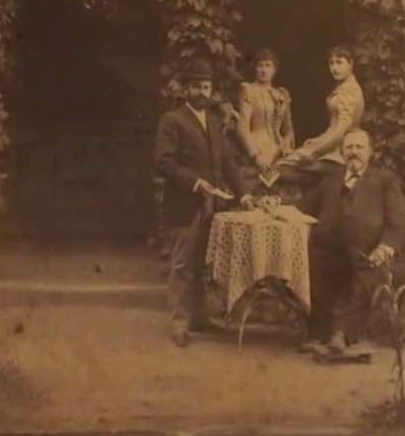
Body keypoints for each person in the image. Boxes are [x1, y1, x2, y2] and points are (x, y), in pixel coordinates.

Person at [154, 57, 256, 348]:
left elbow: (227, 163)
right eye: (196, 86)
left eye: (206, 87)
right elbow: (163, 162)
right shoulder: (172, 120)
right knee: (183, 264)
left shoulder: (213, 122)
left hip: (212, 206)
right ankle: (179, 323)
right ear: (186, 89)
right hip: (184, 205)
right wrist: (195, 183)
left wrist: (244, 194)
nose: (201, 92)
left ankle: (199, 318)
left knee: (201, 263)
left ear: (212, 91)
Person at [298, 129, 405, 354]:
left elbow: (398, 222)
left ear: (369, 152)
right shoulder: (330, 181)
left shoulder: (384, 181)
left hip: (368, 251)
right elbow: (303, 207)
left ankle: (341, 333)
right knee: (312, 266)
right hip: (329, 252)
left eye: (359, 147)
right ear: (341, 152)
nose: (354, 152)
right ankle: (318, 333)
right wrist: (274, 204)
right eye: (349, 147)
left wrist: (384, 248)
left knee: (369, 275)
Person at [277, 45, 364, 184]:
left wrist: (315, 151)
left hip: (337, 153)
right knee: (284, 165)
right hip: (330, 147)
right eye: (331, 63)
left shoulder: (349, 91)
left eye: (339, 62)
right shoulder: (343, 87)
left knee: (280, 168)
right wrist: (317, 141)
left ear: (351, 63)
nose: (334, 68)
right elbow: (333, 127)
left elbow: (341, 130)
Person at [235, 48, 295, 188]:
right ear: (255, 68)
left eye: (268, 65)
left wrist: (287, 145)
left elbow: (288, 129)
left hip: (279, 153)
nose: (263, 70)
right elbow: (242, 128)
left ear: (274, 70)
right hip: (258, 150)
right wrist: (255, 156)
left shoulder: (282, 94)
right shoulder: (248, 90)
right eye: (260, 65)